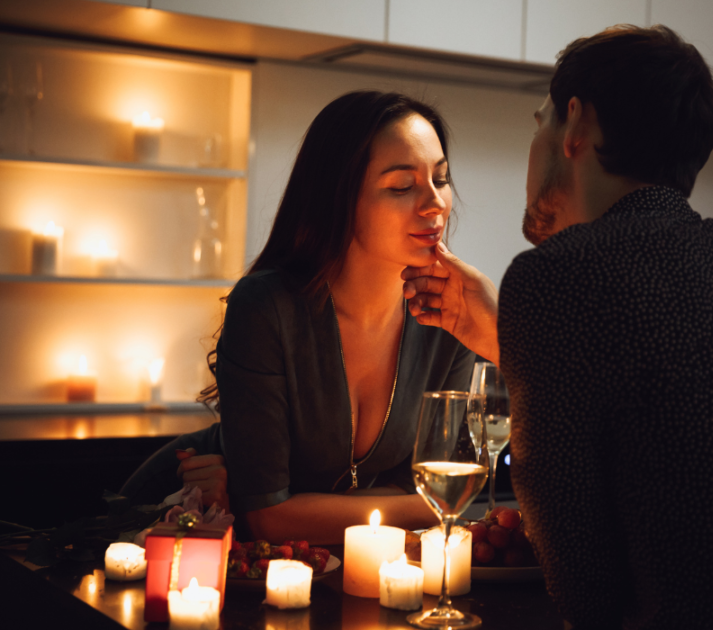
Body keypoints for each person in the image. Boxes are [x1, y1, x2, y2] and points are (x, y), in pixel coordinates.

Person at [402, 25, 713, 629]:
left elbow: (582, 581)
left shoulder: (559, 276)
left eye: (541, 120)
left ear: (576, 126)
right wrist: (511, 340)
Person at [121, 90, 473, 544]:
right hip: (183, 523)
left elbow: (446, 500)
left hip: (322, 560)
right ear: (338, 198)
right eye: (402, 186)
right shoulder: (268, 307)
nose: (436, 204)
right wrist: (411, 505)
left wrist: (294, 508)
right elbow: (269, 518)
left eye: (440, 179)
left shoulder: (449, 315)